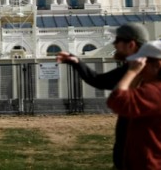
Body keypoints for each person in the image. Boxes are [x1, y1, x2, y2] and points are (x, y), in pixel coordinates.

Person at [56, 22, 149, 169]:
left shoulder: (145, 69)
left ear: (131, 44)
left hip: (140, 150)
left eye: (117, 40)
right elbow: (99, 81)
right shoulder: (134, 66)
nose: (114, 45)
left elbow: (115, 98)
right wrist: (76, 62)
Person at [107, 40, 161, 170]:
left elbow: (116, 100)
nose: (139, 67)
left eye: (142, 63)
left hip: (153, 164)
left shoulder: (157, 92)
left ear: (157, 64)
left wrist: (132, 72)